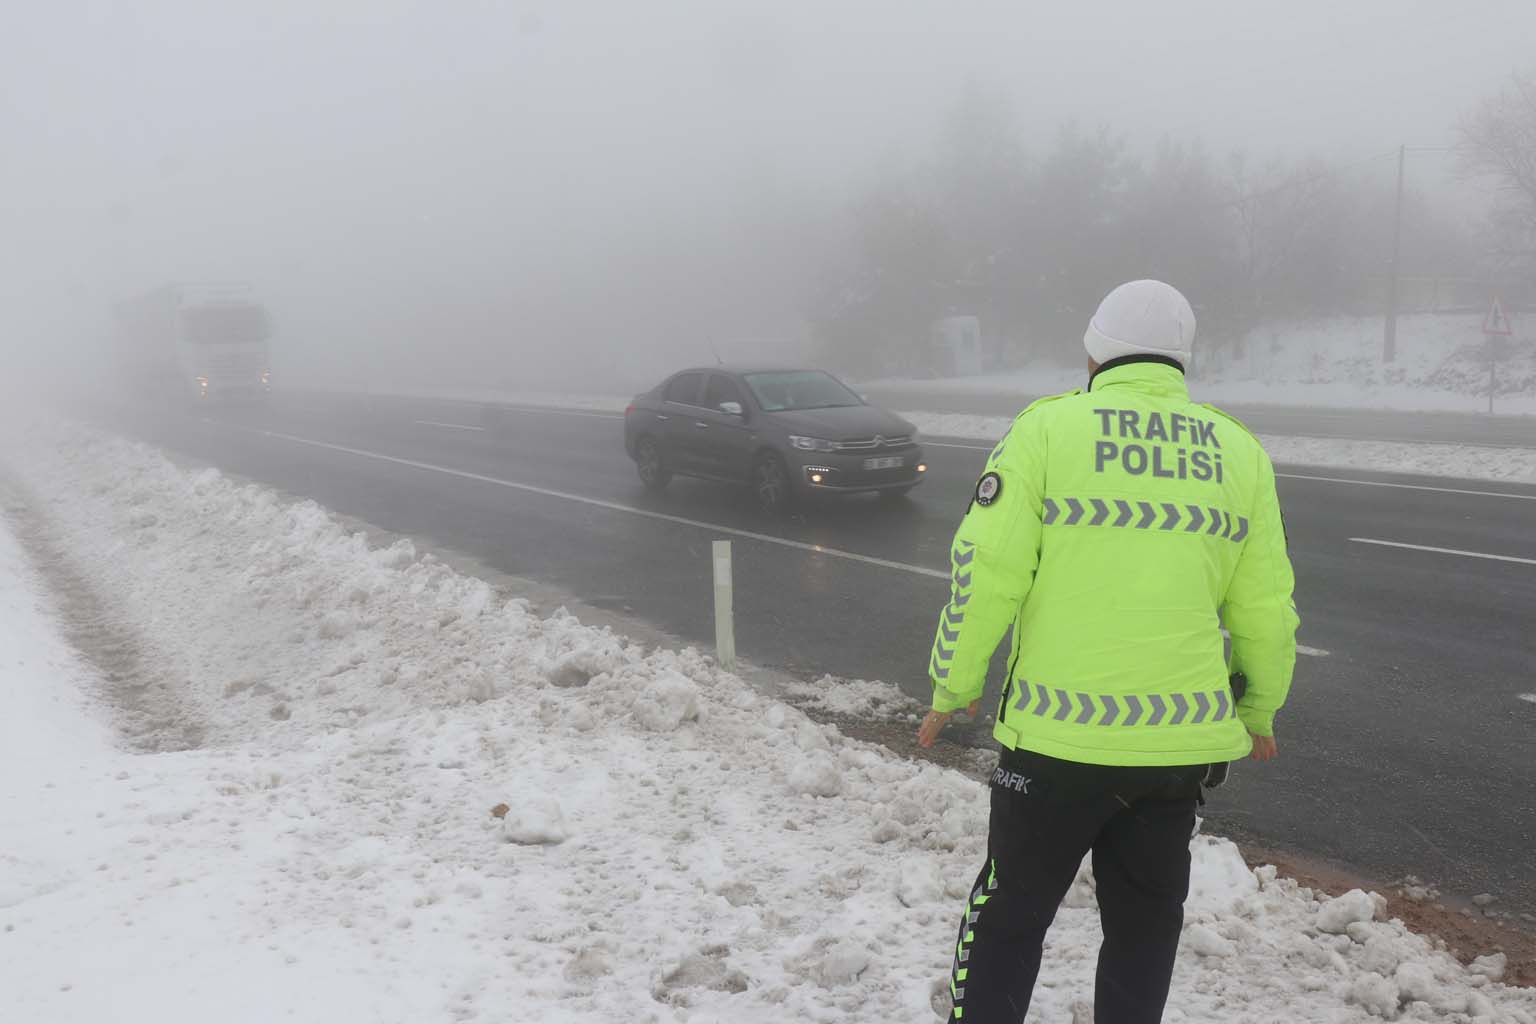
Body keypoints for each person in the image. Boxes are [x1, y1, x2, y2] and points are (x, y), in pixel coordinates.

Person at [918, 280, 1298, 1023]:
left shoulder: (1048, 430)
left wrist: (953, 682)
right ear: (1183, 360)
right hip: (1174, 756)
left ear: (1093, 351)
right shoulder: (1238, 452)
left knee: (1007, 923)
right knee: (1143, 931)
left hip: (1056, 747)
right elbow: (1266, 609)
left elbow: (985, 571)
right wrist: (1258, 708)